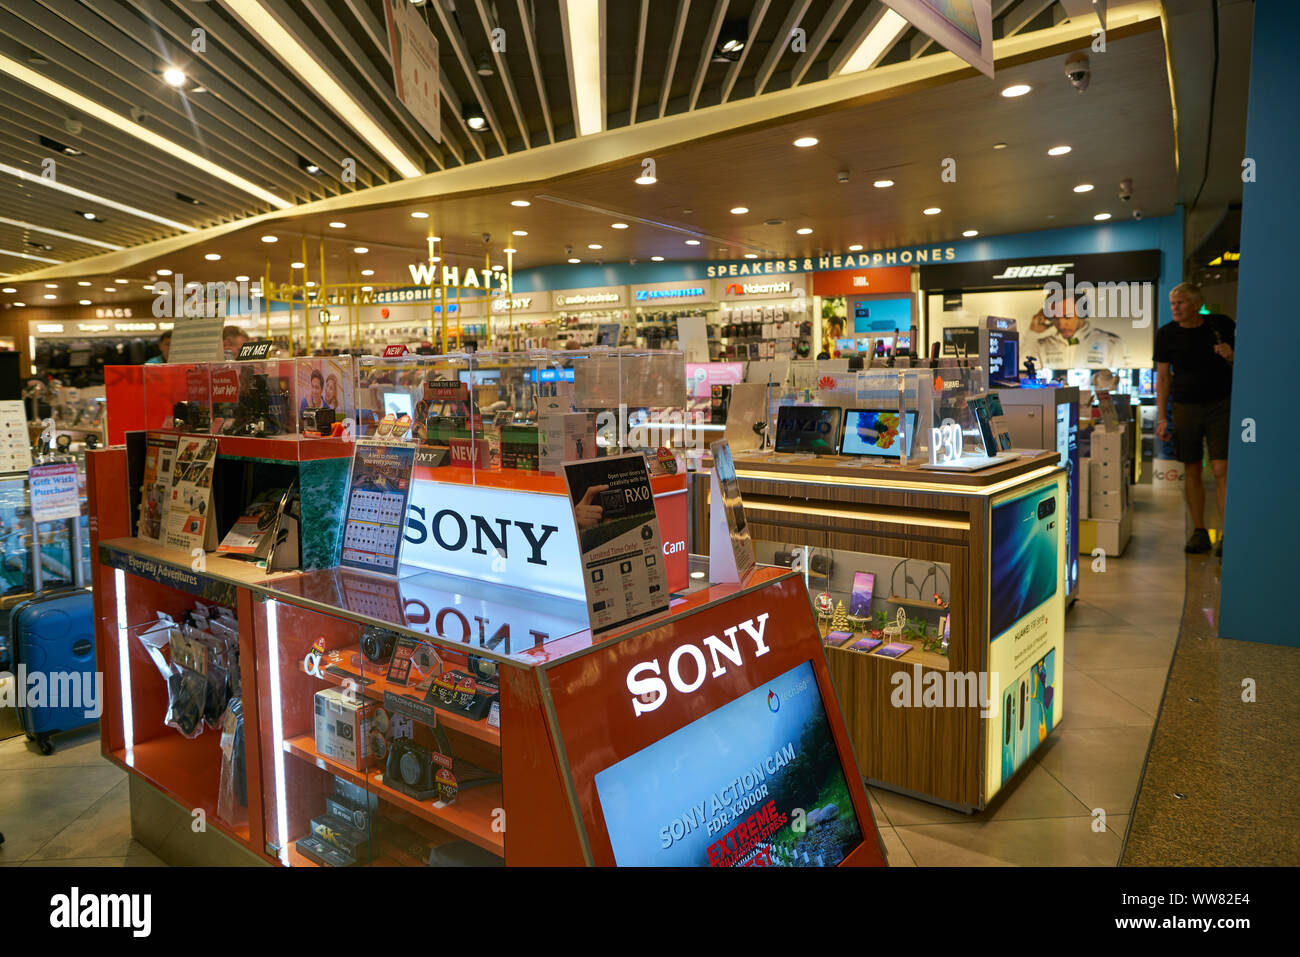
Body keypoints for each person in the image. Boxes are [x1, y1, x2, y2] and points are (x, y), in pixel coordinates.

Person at [1154, 281, 1234, 555]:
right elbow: (1162, 378)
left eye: (1181, 303)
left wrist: (1232, 354)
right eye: (1172, 303)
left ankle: (1227, 534)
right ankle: (1199, 531)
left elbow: (1252, 360)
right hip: (1185, 407)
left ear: (1196, 304)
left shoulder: (1221, 325)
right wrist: (1162, 417)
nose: (1175, 308)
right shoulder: (1166, 334)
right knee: (1192, 469)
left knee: (1222, 468)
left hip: (1220, 405)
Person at [1030, 294, 1127, 369]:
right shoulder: (1040, 345)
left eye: (1067, 317)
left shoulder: (1110, 343)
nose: (1061, 324)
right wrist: (1032, 332)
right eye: (1055, 319)